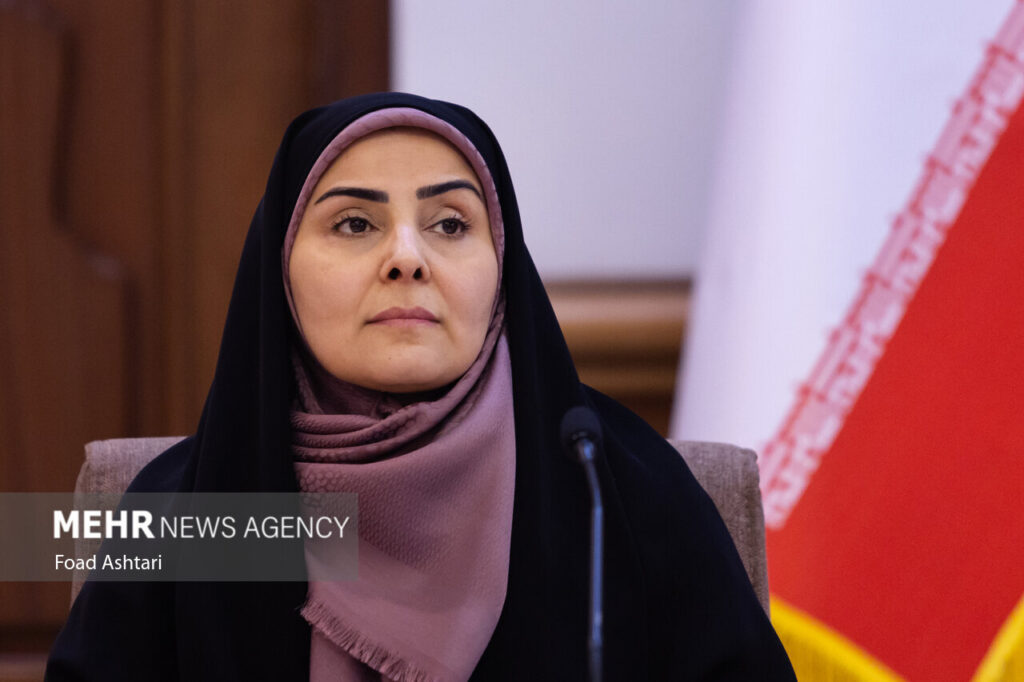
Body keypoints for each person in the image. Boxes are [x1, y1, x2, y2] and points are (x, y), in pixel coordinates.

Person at [46, 93, 796, 681]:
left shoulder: (616, 492)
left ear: (502, 269)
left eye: (449, 224)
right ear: (281, 270)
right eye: (354, 224)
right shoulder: (190, 515)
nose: (407, 257)